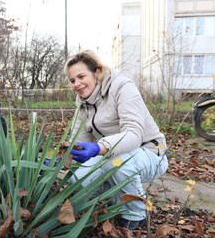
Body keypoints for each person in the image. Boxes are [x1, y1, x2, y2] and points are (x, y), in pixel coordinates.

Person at [64, 50, 168, 230]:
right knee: (79, 176)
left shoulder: (122, 86)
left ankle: (135, 214)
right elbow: (78, 140)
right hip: (114, 154)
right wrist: (64, 159)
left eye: (81, 76)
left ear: (97, 72)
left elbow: (134, 134)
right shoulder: (83, 102)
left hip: (151, 154)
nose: (77, 84)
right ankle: (116, 200)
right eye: (72, 80)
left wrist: (98, 147)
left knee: (115, 161)